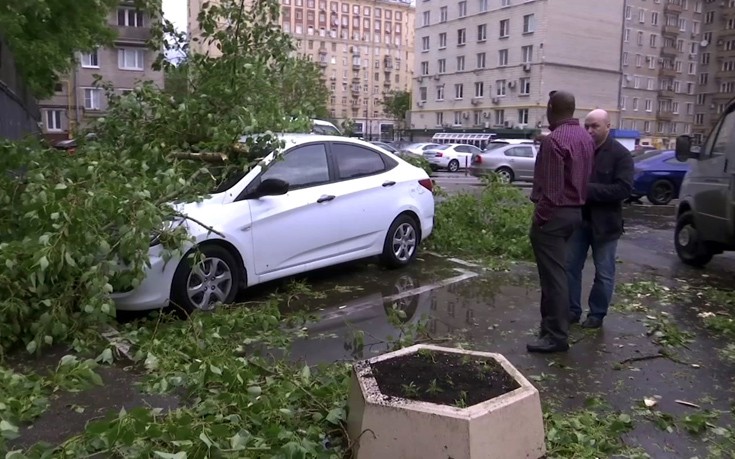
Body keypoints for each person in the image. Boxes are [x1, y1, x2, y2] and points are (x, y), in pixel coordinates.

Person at [527, 91, 595, 353]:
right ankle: (550, 327)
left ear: (551, 107)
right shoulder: (584, 138)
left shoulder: (554, 142)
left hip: (554, 216)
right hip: (575, 213)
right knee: (558, 273)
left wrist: (540, 219)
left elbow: (553, 192)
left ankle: (556, 336)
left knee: (553, 277)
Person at [567, 109, 634, 328]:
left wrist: (586, 190)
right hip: (579, 221)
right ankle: (571, 311)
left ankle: (596, 314)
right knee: (570, 268)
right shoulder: (581, 151)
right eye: (587, 126)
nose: (589, 130)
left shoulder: (620, 154)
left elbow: (623, 189)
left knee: (604, 273)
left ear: (608, 127)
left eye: (595, 126)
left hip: (605, 226)